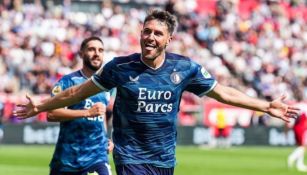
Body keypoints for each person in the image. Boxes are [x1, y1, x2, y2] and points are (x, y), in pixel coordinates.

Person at [14, 10, 299, 175]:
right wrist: (40, 106)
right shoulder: (119, 67)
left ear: (168, 39)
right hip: (129, 157)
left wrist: (264, 106)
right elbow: (75, 93)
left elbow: (223, 93)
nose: (150, 37)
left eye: (157, 34)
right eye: (146, 31)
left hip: (164, 159)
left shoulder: (184, 68)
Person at [47, 36, 113, 175]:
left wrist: (106, 138)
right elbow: (51, 114)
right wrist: (86, 113)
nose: (96, 53)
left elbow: (101, 116)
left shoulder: (107, 85)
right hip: (68, 159)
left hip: (97, 157)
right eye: (91, 49)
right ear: (81, 53)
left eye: (100, 50)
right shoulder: (67, 82)